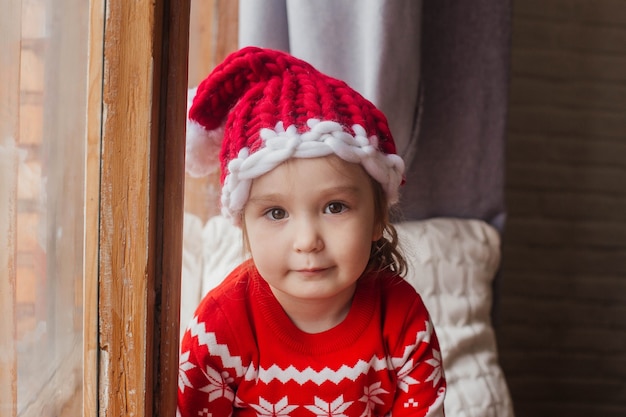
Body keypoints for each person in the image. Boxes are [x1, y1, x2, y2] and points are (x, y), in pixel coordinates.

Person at [178, 46, 446, 417]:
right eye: (275, 213)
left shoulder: (402, 319)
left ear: (378, 217)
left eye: (335, 207)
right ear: (243, 223)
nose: (307, 241)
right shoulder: (220, 328)